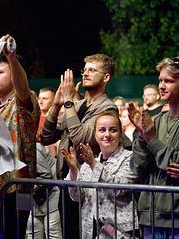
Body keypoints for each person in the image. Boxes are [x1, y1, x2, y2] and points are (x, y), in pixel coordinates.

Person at [40, 54, 128, 238]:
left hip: (87, 189)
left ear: (106, 77)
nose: (86, 73)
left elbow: (81, 139)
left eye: (92, 70)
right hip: (67, 183)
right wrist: (56, 105)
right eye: (85, 69)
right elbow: (46, 137)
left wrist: (68, 101)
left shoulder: (107, 108)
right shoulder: (77, 106)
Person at [0, 34, 40, 239]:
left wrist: (11, 58)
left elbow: (22, 89)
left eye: (0, 72)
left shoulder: (22, 102)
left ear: (14, 75)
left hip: (15, 189)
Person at [128, 56, 179, 238]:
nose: (162, 85)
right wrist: (143, 138)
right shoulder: (155, 121)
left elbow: (175, 164)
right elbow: (136, 167)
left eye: (169, 81)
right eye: (160, 80)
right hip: (150, 216)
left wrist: (151, 139)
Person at [62, 111, 139, 239]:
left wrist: (93, 164)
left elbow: (119, 190)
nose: (107, 135)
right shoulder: (88, 164)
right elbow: (77, 197)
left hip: (120, 233)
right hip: (91, 230)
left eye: (113, 130)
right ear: (96, 136)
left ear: (120, 135)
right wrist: (74, 170)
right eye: (102, 130)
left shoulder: (130, 158)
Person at [25, 143, 62, 239]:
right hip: (35, 202)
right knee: (33, 234)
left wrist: (27, 188)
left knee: (53, 234)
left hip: (51, 196)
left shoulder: (33, 147)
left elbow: (46, 175)